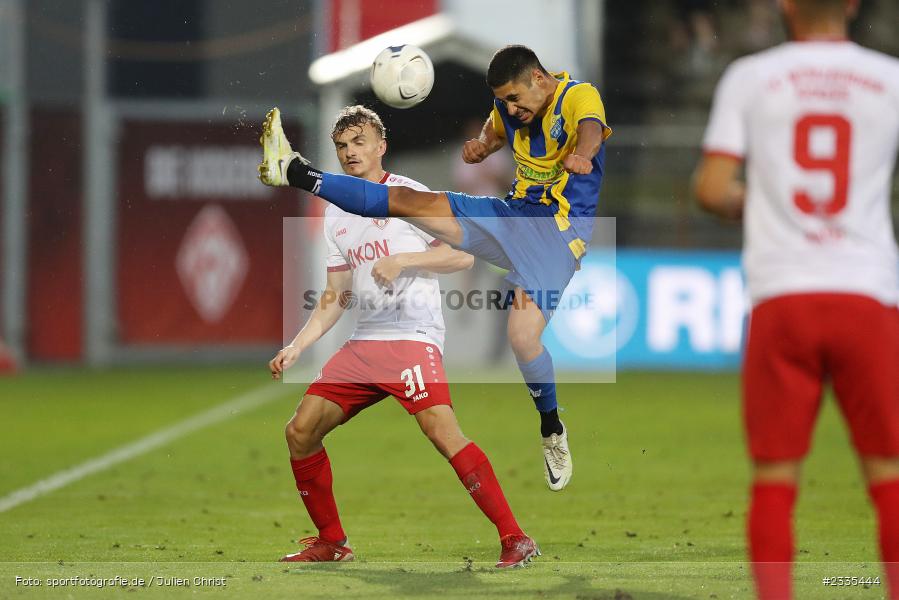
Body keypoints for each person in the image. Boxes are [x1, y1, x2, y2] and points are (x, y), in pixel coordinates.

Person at [259, 45, 612, 492]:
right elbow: (496, 125)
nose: (510, 107)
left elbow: (591, 130)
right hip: (510, 216)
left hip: (558, 235)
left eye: (515, 98)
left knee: (522, 339)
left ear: (539, 79)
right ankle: (294, 171)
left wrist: (583, 154)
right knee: (407, 202)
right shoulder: (511, 111)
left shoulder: (579, 96)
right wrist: (485, 143)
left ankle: (551, 429)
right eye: (503, 100)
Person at [270, 105, 538, 567]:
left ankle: (515, 538)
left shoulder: (410, 195)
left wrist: (405, 261)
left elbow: (463, 258)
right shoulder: (336, 214)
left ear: (381, 146)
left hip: (412, 336)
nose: (350, 153)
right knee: (300, 431)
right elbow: (336, 294)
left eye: (359, 142)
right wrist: (297, 345)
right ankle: (332, 542)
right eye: (341, 146)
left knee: (442, 433)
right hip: (365, 344)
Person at [693, 1, 899, 598]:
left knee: (776, 477)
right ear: (854, 5)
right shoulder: (890, 78)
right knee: (887, 476)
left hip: (783, 295)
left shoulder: (751, 77)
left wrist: (753, 203)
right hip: (868, 293)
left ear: (785, 5)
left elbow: (711, 189)